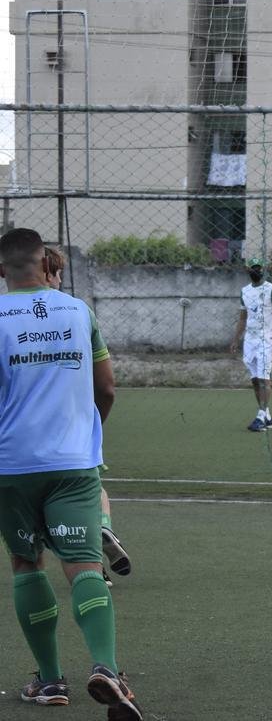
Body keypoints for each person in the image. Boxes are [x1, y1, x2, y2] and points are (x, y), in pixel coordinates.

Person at [0, 229, 143, 718]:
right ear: (45, 264)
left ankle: (49, 681)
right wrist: (87, 432)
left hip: (11, 465)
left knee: (26, 563)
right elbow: (107, 389)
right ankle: (105, 667)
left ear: (2, 269)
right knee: (83, 565)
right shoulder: (78, 312)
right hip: (74, 463)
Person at [44, 247, 133, 584]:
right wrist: (95, 423)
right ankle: (103, 532)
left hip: (27, 436)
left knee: (46, 507)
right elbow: (106, 386)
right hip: (77, 427)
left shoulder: (10, 315)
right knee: (92, 488)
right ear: (49, 274)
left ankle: (88, 562)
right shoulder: (78, 314)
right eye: (59, 273)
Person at [230, 256, 272, 432]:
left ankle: (260, 416)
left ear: (263, 271)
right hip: (250, 342)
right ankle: (267, 416)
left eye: (259, 268)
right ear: (249, 271)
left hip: (266, 340)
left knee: (264, 379)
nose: (256, 271)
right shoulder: (245, 291)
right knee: (255, 380)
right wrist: (235, 340)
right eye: (253, 268)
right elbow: (242, 318)